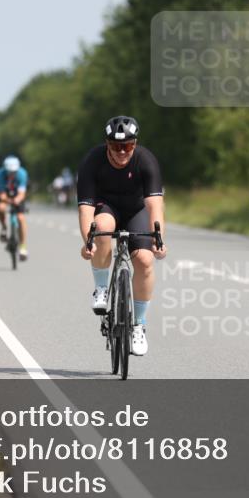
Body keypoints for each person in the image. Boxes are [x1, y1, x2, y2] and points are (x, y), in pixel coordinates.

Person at [77, 115, 166, 357]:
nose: (122, 152)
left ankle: (138, 326)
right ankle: (101, 288)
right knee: (102, 226)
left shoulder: (146, 160)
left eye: (127, 145)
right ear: (107, 144)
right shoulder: (92, 161)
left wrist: (159, 239)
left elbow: (155, 206)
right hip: (106, 207)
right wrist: (87, 242)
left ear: (135, 144)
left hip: (136, 210)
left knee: (145, 261)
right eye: (116, 146)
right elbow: (85, 209)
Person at [0, 155, 29, 260]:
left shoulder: (22, 174)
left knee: (21, 218)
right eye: (9, 172)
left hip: (17, 194)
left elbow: (22, 193)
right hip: (5, 194)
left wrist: (17, 200)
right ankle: (4, 227)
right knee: (1, 208)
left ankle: (23, 247)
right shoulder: (0, 175)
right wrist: (8, 201)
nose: (12, 174)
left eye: (14, 172)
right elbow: (2, 195)